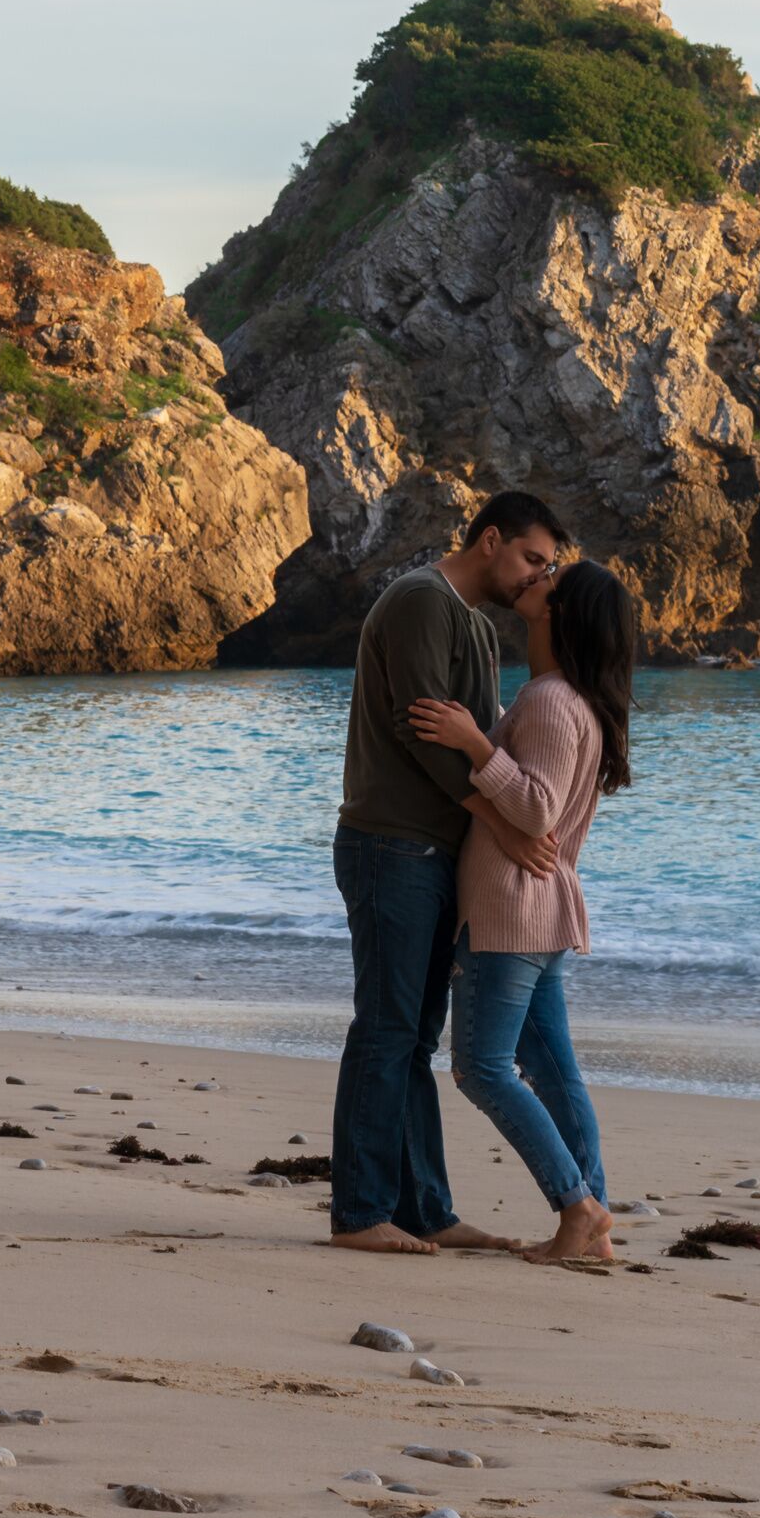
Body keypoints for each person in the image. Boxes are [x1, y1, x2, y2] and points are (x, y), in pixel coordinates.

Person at [327, 489, 571, 1256]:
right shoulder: (420, 602)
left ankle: (426, 1207)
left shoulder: (470, 622)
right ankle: (361, 1211)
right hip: (390, 845)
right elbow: (428, 739)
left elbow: (477, 739)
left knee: (415, 1035)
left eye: (550, 567)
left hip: (432, 853)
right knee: (387, 1029)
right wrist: (504, 822)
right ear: (490, 538)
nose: (538, 577)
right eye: (532, 558)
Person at [406, 557, 639, 1265]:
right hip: (543, 912)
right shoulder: (575, 701)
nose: (533, 577)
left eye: (547, 580)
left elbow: (535, 807)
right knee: (553, 1069)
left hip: (511, 909)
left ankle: (577, 1206)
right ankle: (590, 1221)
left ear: (558, 612)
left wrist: (476, 742)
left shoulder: (548, 700)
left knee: (481, 1066)